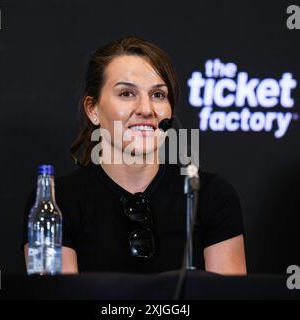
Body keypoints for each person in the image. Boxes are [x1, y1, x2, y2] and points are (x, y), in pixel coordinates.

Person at [22, 36, 247, 275]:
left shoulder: (210, 195)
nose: (146, 109)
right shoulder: (54, 201)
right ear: (93, 109)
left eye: (158, 95)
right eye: (127, 93)